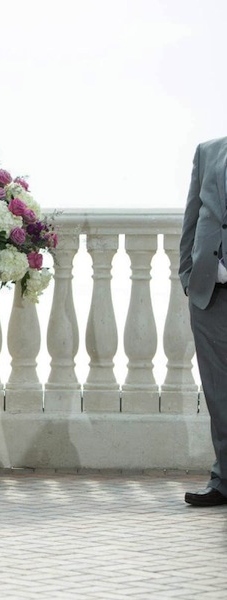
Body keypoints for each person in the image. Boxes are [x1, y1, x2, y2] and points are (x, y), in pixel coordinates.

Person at [180, 137, 227, 507]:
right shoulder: (208, 151)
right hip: (211, 295)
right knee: (218, 394)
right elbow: (193, 217)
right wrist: (188, 277)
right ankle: (223, 480)